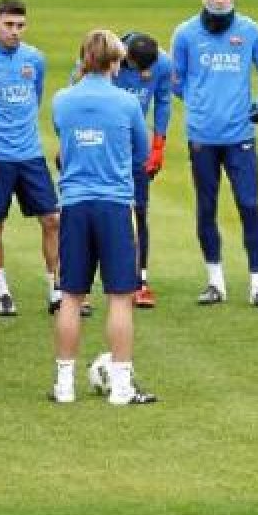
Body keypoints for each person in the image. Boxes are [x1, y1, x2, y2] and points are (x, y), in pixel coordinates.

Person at [49, 29, 155, 405]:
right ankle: (122, 385)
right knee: (121, 298)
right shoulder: (126, 103)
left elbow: (62, 139)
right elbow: (142, 151)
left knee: (71, 297)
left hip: (75, 204)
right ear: (114, 62)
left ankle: (64, 384)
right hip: (114, 205)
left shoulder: (62, 100)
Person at [171, 0, 258, 308]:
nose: (222, 0)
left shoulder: (249, 30)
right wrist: (199, 102)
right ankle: (215, 282)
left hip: (240, 136)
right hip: (202, 136)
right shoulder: (186, 34)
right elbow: (176, 80)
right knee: (207, 207)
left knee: (249, 205)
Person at [0, 0, 62, 316]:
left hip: (30, 153)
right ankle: (1, 291)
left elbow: (35, 96)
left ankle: (55, 287)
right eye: (8, 25)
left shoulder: (35, 59)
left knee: (52, 220)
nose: (15, 32)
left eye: (20, 26)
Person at [107, 32, 173, 308]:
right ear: (125, 58)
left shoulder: (163, 64)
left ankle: (140, 281)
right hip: (103, 147)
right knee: (94, 209)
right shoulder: (106, 60)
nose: (145, 73)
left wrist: (158, 144)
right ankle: (80, 287)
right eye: (138, 67)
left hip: (136, 147)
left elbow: (164, 102)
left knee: (139, 211)